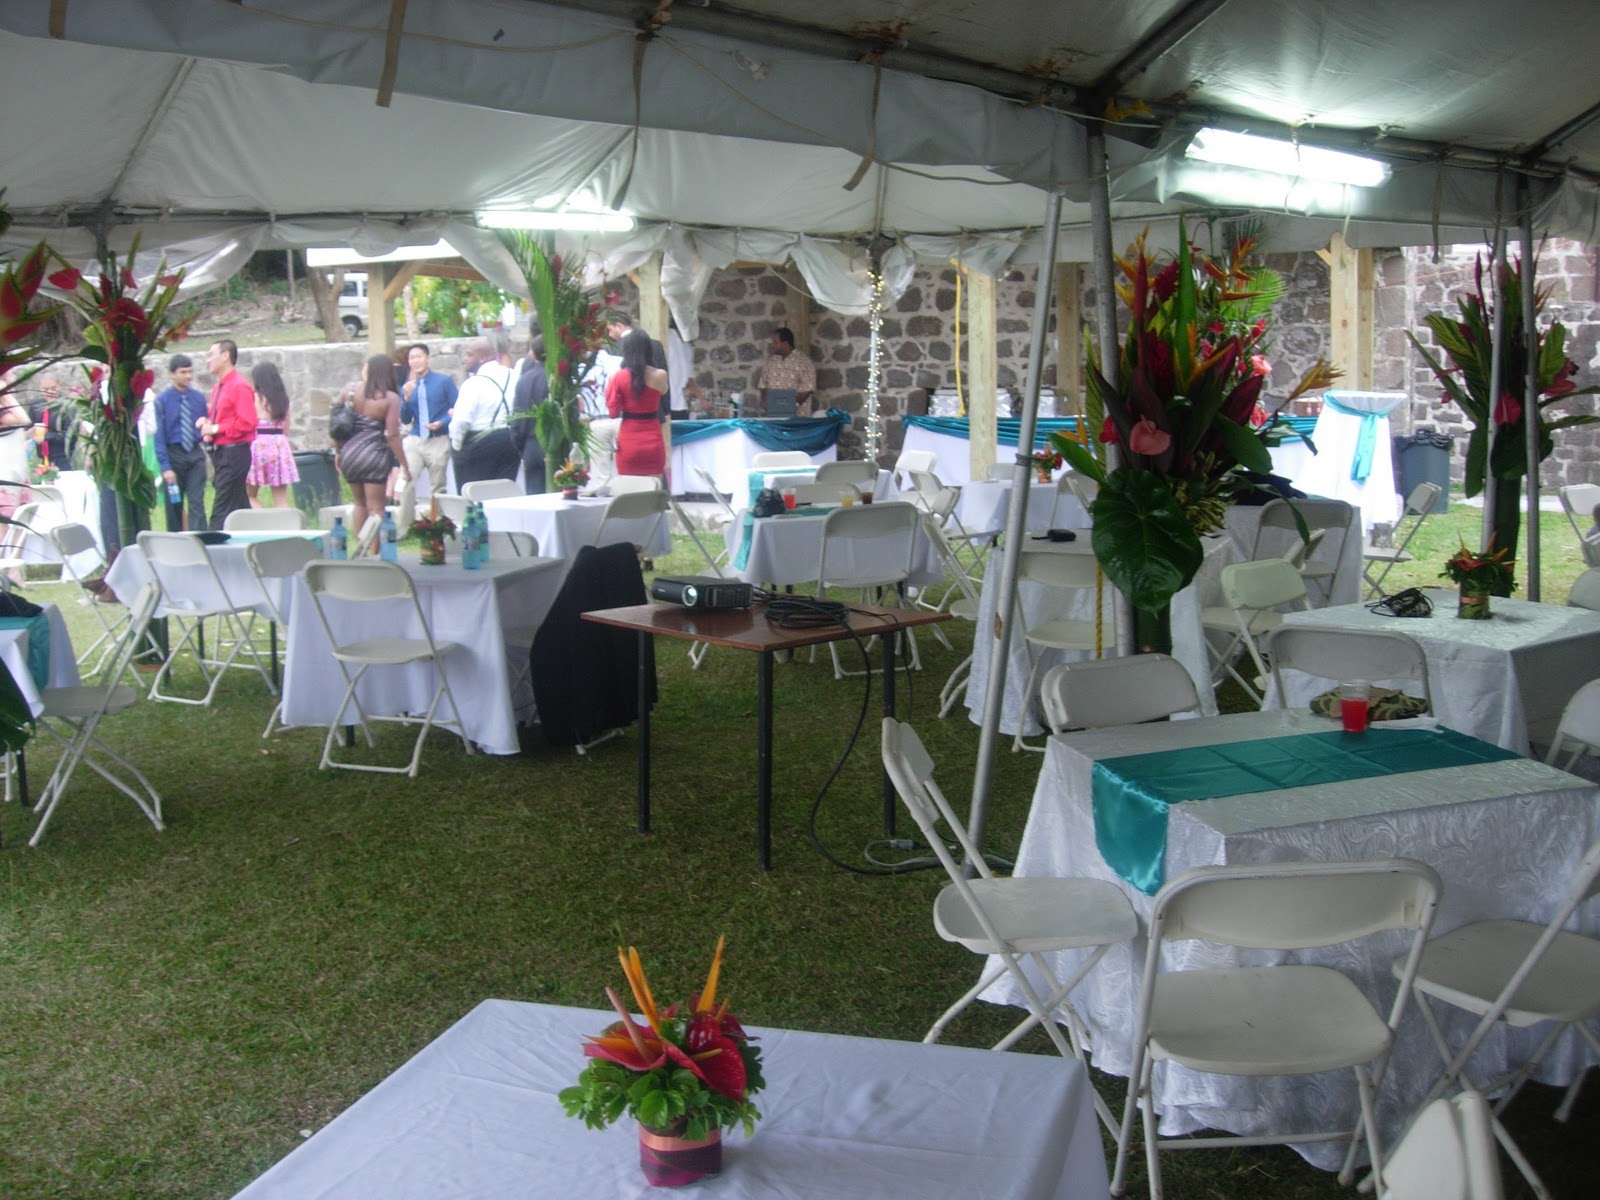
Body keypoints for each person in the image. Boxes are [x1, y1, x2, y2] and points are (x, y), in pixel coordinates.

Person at [335, 354, 409, 548]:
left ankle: (360, 549)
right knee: (376, 508)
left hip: (350, 453)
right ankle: (374, 552)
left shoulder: (349, 391)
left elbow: (336, 425)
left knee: (359, 503)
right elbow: (393, 436)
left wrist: (338, 452)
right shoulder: (390, 398)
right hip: (374, 455)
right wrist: (404, 465)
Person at [199, 339, 257, 530]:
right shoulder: (219, 387)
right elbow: (222, 418)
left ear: (225, 356)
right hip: (221, 453)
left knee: (221, 508)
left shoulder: (239, 386)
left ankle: (213, 540)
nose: (208, 360)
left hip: (234, 453)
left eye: (211, 355)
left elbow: (247, 422)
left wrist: (216, 429)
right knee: (239, 506)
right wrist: (207, 423)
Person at [450, 336, 518, 487]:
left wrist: (456, 446)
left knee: (474, 492)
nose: (465, 359)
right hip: (509, 440)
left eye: (469, 355)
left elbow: (461, 420)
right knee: (504, 490)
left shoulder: (473, 383)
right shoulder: (513, 376)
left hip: (478, 443)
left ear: (482, 358)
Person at [606, 329, 668, 480]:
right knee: (653, 487)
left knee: (629, 488)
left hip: (628, 438)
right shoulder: (660, 375)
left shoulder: (618, 377)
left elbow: (613, 412)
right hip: (653, 437)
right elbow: (663, 391)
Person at [399, 342, 455, 498]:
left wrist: (442, 422)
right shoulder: (408, 387)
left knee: (437, 486)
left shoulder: (444, 381)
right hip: (416, 437)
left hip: (438, 439)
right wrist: (406, 400)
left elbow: (456, 408)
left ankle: (436, 514)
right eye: (412, 358)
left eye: (419, 357)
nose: (415, 361)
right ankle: (405, 514)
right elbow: (405, 419)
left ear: (428, 359)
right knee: (408, 481)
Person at [247, 361, 299, 508]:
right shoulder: (283, 400)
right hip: (279, 446)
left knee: (248, 495)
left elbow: (250, 423)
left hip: (259, 445)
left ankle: (262, 516)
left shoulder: (255, 398)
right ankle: (286, 521)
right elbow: (286, 430)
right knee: (281, 500)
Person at [511, 336, 549, 494]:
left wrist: (521, 446)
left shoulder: (524, 379)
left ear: (533, 355)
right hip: (555, 444)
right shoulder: (556, 377)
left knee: (535, 494)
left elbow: (517, 417)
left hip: (531, 444)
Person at [758, 326, 817, 415]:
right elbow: (763, 384)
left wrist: (782, 405)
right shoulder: (770, 361)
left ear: (785, 344)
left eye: (776, 342)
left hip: (797, 417)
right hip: (773, 416)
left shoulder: (804, 362)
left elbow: (806, 391)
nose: (772, 345)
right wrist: (764, 400)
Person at [666, 320, 703, 419]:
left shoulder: (687, 347)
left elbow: (689, 377)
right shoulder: (667, 337)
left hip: (680, 403)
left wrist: (701, 399)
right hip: (666, 402)